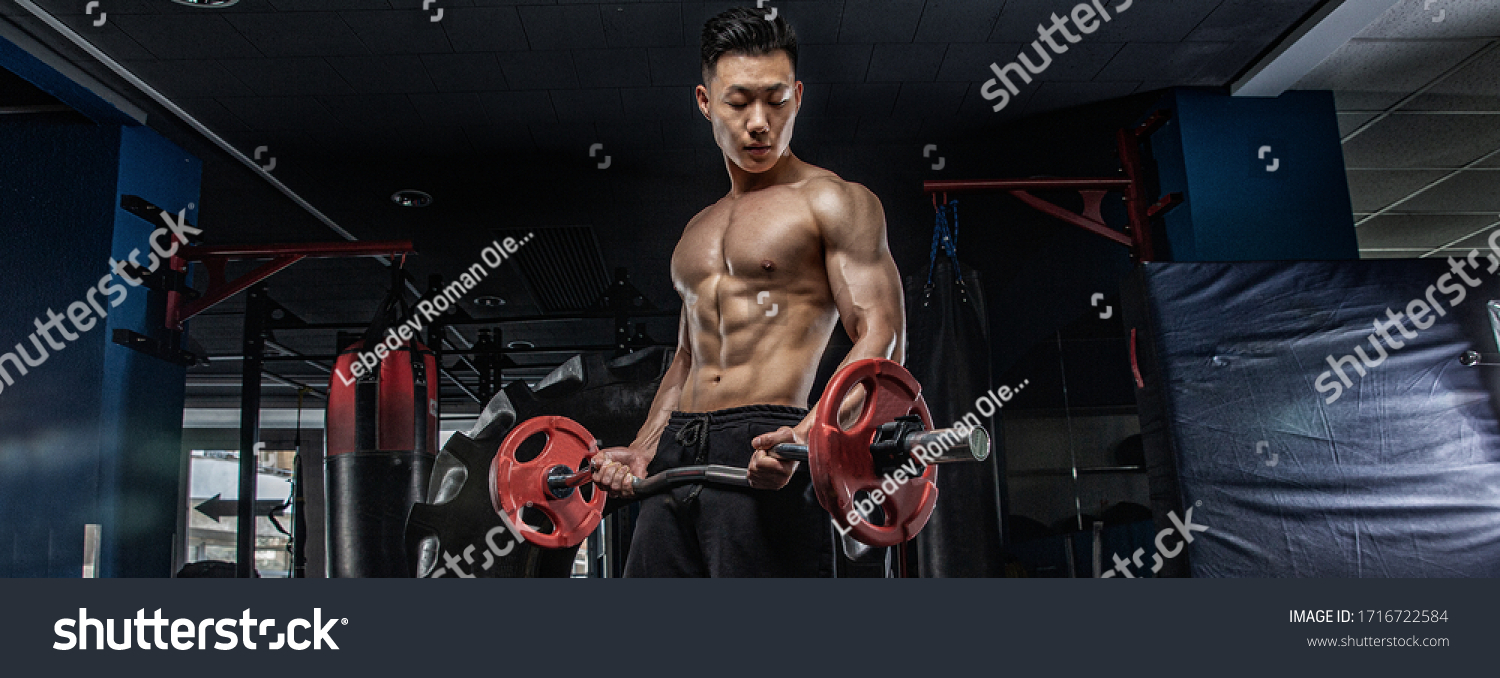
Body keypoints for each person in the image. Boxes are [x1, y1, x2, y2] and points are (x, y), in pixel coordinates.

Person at [591, 7, 906, 577]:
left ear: (799, 97)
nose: (759, 121)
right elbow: (686, 360)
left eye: (776, 100)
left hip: (769, 437)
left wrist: (804, 441)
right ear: (705, 102)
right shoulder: (697, 230)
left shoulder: (833, 201)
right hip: (679, 450)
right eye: (738, 102)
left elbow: (881, 339)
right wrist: (643, 448)